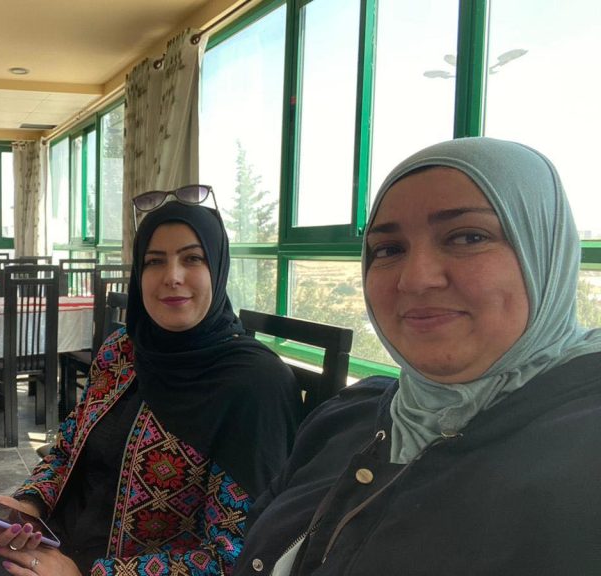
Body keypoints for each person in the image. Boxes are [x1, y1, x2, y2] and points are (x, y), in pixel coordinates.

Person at [233, 137, 601, 576]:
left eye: (468, 237)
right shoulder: (350, 414)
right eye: (389, 249)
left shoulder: (584, 455)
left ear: (544, 250)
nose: (415, 279)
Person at [0, 188, 301, 575]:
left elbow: (234, 556)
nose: (172, 277)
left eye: (192, 258)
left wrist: (86, 574)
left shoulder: (254, 386)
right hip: (52, 546)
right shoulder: (124, 349)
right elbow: (68, 449)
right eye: (154, 261)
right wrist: (30, 505)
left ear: (218, 267)